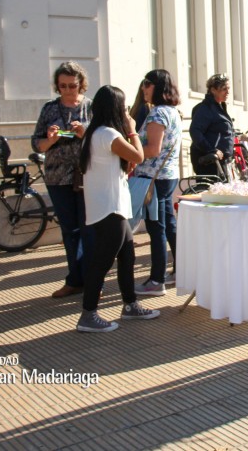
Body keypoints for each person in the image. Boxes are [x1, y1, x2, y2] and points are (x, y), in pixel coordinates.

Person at [77, 85, 159, 332]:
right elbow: (138, 156)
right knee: (101, 262)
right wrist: (133, 130)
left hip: (112, 206)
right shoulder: (107, 134)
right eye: (123, 107)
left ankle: (130, 305)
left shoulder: (95, 133)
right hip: (109, 208)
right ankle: (88, 315)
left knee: (127, 256)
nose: (127, 112)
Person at [31, 61, 93, 298]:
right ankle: (74, 280)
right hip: (58, 177)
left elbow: (104, 138)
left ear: (81, 84)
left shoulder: (91, 107)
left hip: (87, 174)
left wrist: (84, 132)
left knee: (89, 229)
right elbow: (36, 142)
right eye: (63, 86)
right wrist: (51, 141)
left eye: (72, 86)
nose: (68, 90)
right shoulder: (49, 108)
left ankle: (90, 278)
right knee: (70, 230)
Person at [132, 69, 182, 295]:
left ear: (158, 87)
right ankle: (180, 270)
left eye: (147, 84)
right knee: (168, 224)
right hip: (167, 176)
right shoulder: (171, 111)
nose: (144, 88)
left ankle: (156, 280)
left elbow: (152, 149)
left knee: (157, 228)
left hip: (153, 178)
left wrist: (128, 152)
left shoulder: (157, 114)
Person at [189, 74, 234, 177]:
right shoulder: (206, 108)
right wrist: (211, 150)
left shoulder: (219, 106)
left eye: (228, 88)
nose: (228, 92)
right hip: (210, 163)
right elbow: (195, 131)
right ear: (213, 90)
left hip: (220, 163)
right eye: (224, 89)